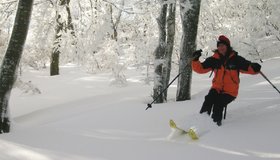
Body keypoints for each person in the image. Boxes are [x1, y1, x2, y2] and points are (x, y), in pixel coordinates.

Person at [192, 35, 261, 126]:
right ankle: (201, 122)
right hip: (216, 88)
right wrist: (195, 60)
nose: (221, 48)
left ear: (227, 46)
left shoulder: (236, 59)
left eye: (223, 45)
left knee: (218, 103)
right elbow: (200, 69)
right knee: (209, 99)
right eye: (219, 45)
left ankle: (215, 124)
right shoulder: (214, 59)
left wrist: (255, 67)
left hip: (230, 92)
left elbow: (249, 68)